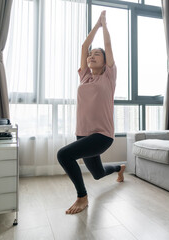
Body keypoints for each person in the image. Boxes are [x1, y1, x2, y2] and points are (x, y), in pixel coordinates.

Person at [57, 10, 125, 215]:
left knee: (64, 155)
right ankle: (119, 168)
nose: (91, 56)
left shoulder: (108, 77)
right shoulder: (85, 77)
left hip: (102, 135)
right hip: (83, 134)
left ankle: (82, 196)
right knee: (98, 173)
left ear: (105, 62)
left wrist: (104, 26)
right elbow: (83, 46)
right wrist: (95, 25)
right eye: (90, 55)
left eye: (97, 54)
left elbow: (109, 46)